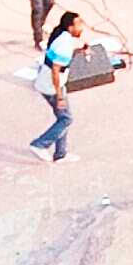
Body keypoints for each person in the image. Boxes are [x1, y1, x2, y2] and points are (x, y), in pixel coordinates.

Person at [32, 12, 86, 163]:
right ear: (70, 27)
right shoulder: (64, 45)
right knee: (66, 119)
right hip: (51, 87)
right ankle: (40, 144)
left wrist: (79, 50)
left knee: (62, 118)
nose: (82, 27)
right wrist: (59, 96)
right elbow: (55, 71)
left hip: (48, 83)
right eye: (79, 24)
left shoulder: (62, 37)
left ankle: (61, 154)